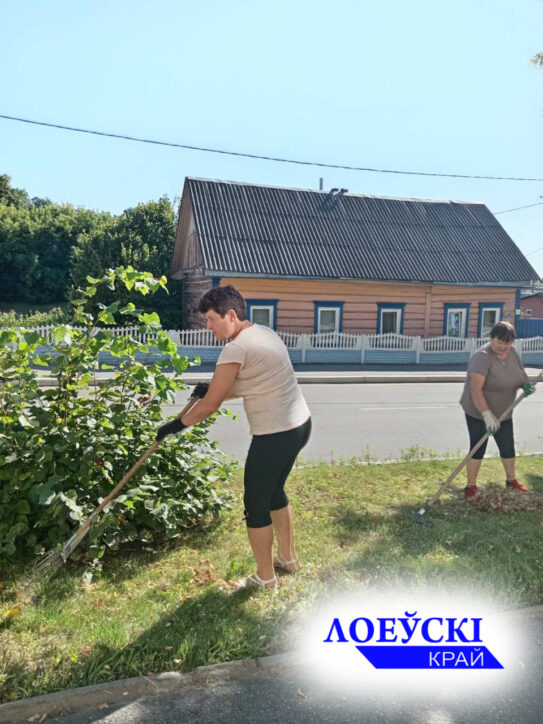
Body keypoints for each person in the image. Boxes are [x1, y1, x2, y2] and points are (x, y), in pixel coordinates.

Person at [156, 285, 311, 590]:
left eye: (211, 319)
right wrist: (212, 389)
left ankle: (265, 577)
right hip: (300, 426)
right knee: (274, 492)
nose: (208, 327)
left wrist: (176, 425)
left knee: (255, 504)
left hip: (274, 435)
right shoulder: (265, 334)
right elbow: (255, 382)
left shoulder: (235, 348)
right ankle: (288, 558)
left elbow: (209, 406)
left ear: (230, 315)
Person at [459, 320, 534, 498]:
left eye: (508, 343)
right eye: (500, 342)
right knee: (478, 447)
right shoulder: (481, 357)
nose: (503, 347)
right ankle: (471, 486)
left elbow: (520, 375)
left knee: (507, 446)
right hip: (478, 412)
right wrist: (486, 415)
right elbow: (475, 390)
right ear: (491, 338)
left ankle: (511, 481)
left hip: (504, 412)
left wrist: (526, 385)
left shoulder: (512, 353)